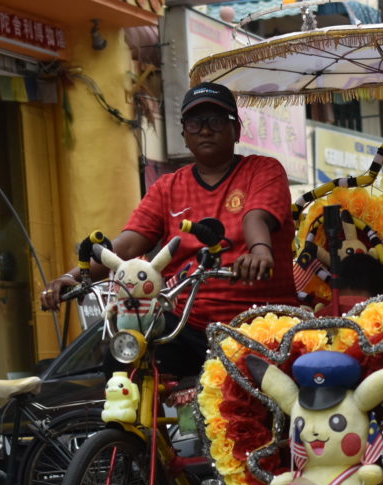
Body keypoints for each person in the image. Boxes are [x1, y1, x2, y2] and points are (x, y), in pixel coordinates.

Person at [40, 81, 297, 375]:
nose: (204, 130)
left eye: (215, 120)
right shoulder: (168, 186)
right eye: (194, 123)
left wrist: (259, 252)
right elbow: (128, 244)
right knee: (124, 358)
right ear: (184, 134)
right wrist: (72, 277)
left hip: (258, 324)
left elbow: (255, 218)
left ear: (236, 130)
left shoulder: (263, 169)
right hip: (187, 323)